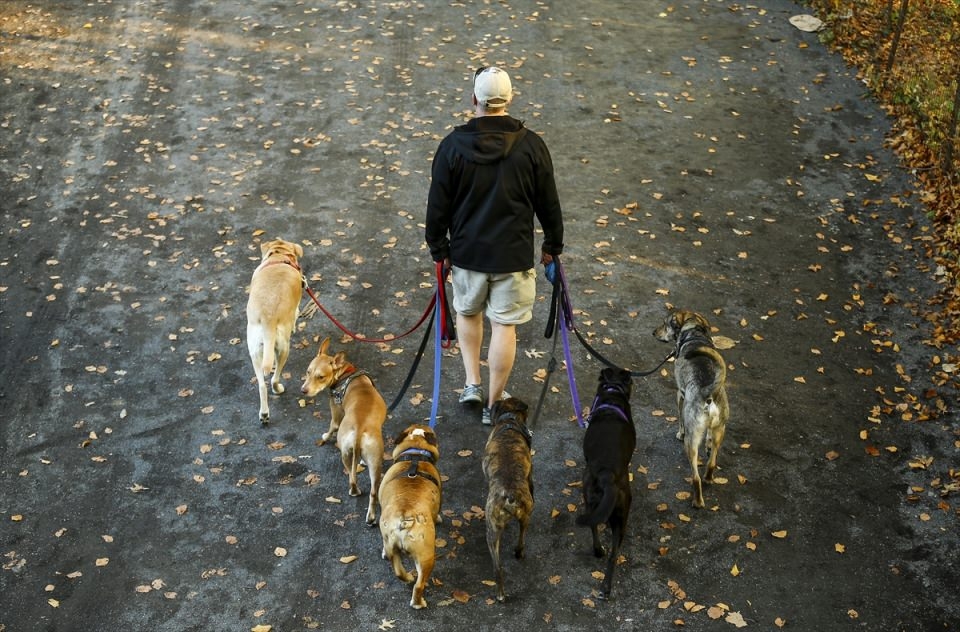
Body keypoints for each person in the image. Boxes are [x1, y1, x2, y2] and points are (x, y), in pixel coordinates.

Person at [425, 66, 565, 425]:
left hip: (468, 255)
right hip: (513, 256)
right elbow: (548, 201)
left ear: (475, 99)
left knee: (468, 314)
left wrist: (439, 249)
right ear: (510, 99)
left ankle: (472, 382)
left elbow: (437, 204)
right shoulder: (532, 145)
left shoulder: (452, 146)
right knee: (504, 326)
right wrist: (552, 244)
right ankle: (493, 401)